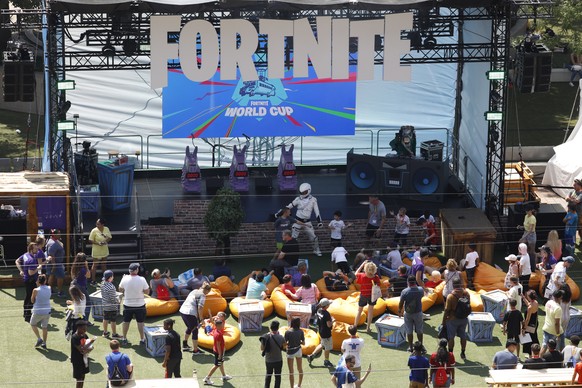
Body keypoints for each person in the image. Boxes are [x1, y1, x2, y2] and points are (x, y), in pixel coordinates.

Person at [275, 182, 323, 256]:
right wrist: (279, 213)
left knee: (314, 237)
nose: (303, 193)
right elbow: (289, 207)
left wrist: (319, 222)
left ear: (309, 190)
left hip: (307, 222)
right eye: (302, 192)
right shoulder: (298, 199)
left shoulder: (313, 200)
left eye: (305, 192)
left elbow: (317, 211)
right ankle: (291, 252)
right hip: (297, 221)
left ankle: (316, 250)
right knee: (293, 238)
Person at [119, 263, 149, 346]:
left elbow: (120, 289)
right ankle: (142, 339)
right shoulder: (142, 279)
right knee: (140, 323)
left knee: (126, 322)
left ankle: (124, 338)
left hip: (127, 305)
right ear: (136, 270)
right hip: (140, 305)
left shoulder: (124, 279)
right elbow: (147, 291)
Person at [179, 282, 211, 354]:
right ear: (206, 290)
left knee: (190, 327)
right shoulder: (203, 295)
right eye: (208, 292)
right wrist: (201, 319)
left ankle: (185, 345)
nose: (207, 294)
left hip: (182, 311)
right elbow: (200, 308)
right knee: (195, 331)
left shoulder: (194, 291)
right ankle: (196, 350)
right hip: (190, 313)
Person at [442, 279, 469, 358]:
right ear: (460, 284)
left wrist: (443, 321)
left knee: (451, 337)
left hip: (452, 319)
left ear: (453, 285)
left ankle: (451, 354)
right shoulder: (466, 293)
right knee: (463, 336)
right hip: (464, 318)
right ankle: (463, 353)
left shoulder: (450, 296)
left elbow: (447, 310)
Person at [203, 317, 232, 384]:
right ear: (219, 326)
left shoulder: (216, 330)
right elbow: (218, 345)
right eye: (222, 325)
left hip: (218, 351)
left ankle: (224, 376)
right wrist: (220, 354)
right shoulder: (218, 334)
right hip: (218, 352)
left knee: (220, 363)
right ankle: (207, 378)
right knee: (216, 365)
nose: (223, 325)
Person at [17, 242, 41, 323]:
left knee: (27, 296)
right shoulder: (31, 260)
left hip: (26, 280)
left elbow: (17, 261)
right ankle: (27, 315)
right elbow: (31, 272)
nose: (37, 249)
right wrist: (38, 268)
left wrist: (21, 271)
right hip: (31, 280)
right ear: (31, 249)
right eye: (35, 248)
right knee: (31, 298)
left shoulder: (25, 255)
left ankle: (25, 313)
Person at [400, 275, 425, 353]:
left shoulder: (405, 291)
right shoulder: (421, 290)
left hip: (408, 313)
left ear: (408, 282)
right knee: (419, 330)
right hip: (418, 313)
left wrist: (399, 310)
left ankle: (411, 347)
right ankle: (420, 346)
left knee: (409, 331)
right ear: (415, 282)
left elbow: (401, 302)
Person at [354, 261, 381, 331]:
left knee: (359, 310)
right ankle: (368, 327)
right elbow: (379, 285)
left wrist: (362, 265)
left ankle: (355, 326)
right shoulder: (376, 277)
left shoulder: (362, 276)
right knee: (370, 311)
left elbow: (355, 273)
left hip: (363, 295)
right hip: (372, 296)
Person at [307, 298, 334, 367]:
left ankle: (312, 356)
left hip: (321, 330)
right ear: (326, 306)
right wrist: (333, 321)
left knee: (322, 344)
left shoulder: (319, 310)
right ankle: (326, 361)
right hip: (326, 333)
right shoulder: (327, 314)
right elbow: (329, 325)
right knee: (327, 347)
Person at [261, 320, 285, 388]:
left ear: (270, 327)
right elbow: (284, 346)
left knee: (268, 375)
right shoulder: (281, 337)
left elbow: (262, 349)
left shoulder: (265, 337)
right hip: (278, 360)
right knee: (278, 377)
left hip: (269, 361)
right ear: (278, 328)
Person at [88, 218, 112, 286]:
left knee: (104, 265)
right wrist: (97, 243)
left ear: (102, 224)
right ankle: (93, 280)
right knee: (95, 265)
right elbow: (90, 240)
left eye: (98, 224)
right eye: (96, 223)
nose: (97, 225)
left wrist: (105, 242)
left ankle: (106, 279)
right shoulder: (94, 230)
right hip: (96, 250)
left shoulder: (106, 229)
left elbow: (109, 237)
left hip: (104, 249)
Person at [71, 320, 94, 388]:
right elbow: (81, 350)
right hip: (77, 360)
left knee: (83, 376)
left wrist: (90, 347)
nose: (85, 330)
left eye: (86, 328)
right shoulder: (75, 337)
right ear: (79, 328)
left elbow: (87, 345)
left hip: (84, 359)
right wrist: (89, 349)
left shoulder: (84, 335)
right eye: (84, 329)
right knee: (79, 378)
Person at [30, 273, 51, 348]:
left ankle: (39, 339)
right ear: (45, 281)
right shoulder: (49, 288)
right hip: (47, 311)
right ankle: (44, 343)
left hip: (37, 312)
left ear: (38, 281)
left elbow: (32, 301)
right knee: (44, 327)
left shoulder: (35, 290)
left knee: (33, 324)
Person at [70, 252, 92, 323]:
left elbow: (72, 276)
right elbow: (88, 276)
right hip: (81, 286)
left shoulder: (74, 266)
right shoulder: (83, 268)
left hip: (74, 285)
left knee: (77, 302)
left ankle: (77, 319)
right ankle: (85, 320)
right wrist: (87, 266)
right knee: (88, 303)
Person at [541, 290, 564, 355]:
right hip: (554, 331)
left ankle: (539, 359)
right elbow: (557, 323)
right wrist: (558, 334)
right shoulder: (558, 308)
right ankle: (561, 363)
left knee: (544, 346)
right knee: (561, 349)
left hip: (546, 328)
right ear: (560, 297)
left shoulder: (548, 302)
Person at [285, 317, 305, 388]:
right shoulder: (301, 331)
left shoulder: (287, 332)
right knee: (300, 369)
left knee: (291, 371)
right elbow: (303, 343)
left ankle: (292, 387)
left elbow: (285, 343)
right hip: (298, 350)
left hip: (290, 352)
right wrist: (298, 341)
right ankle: (299, 385)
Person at [45, 229, 66, 297]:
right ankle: (60, 292)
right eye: (59, 234)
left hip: (55, 263)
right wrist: (54, 266)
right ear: (54, 235)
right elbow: (52, 255)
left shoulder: (54, 241)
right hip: (56, 263)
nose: (60, 235)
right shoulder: (52, 244)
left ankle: (50, 290)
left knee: (52, 275)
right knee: (60, 277)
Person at [101, 270, 121, 339]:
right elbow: (113, 299)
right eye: (112, 276)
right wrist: (118, 300)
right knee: (113, 320)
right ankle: (114, 334)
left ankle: (105, 332)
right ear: (110, 277)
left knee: (105, 318)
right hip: (112, 307)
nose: (113, 277)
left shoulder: (102, 284)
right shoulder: (111, 287)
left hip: (105, 305)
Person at [522, 289, 540, 356]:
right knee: (534, 338)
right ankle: (536, 352)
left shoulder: (530, 307)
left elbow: (527, 319)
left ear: (529, 297)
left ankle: (530, 354)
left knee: (528, 340)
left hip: (529, 325)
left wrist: (524, 328)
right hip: (535, 323)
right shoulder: (536, 302)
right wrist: (523, 298)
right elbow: (529, 304)